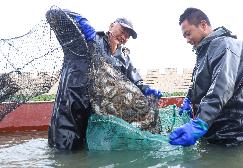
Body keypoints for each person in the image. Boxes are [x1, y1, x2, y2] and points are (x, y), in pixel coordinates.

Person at [48, 9, 162, 150]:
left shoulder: (124, 58)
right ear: (111, 25)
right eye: (123, 30)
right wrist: (81, 21)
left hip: (95, 113)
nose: (124, 36)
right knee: (63, 149)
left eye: (128, 35)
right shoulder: (88, 38)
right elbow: (53, 13)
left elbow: (136, 82)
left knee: (85, 152)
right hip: (71, 102)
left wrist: (147, 89)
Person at [169, 7, 243, 146]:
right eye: (184, 36)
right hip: (213, 132)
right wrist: (188, 99)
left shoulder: (224, 44)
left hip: (232, 136)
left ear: (203, 25)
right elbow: (197, 83)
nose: (187, 40)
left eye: (188, 33)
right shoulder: (203, 52)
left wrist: (200, 122)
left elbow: (222, 86)